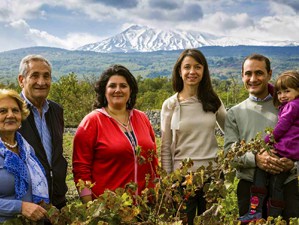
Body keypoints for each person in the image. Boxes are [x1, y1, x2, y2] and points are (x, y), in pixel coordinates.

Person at [224, 54, 299, 222]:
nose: (253, 78)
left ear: (269, 74)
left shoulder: (288, 107)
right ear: (242, 75)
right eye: (248, 73)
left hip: (286, 184)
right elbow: (229, 153)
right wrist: (255, 159)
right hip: (250, 187)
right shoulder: (235, 113)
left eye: (259, 73)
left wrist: (294, 164)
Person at [72, 64, 158, 203]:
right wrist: (88, 207)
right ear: (104, 91)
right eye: (112, 86)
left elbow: (153, 159)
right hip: (110, 209)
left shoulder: (142, 118)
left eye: (123, 86)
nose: (118, 90)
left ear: (130, 90)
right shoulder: (92, 122)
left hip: (146, 206)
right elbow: (81, 169)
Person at [160, 48, 226, 225]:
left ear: (204, 71)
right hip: (182, 180)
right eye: (187, 67)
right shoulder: (170, 105)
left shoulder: (213, 100)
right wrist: (168, 184)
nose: (192, 72)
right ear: (179, 71)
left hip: (212, 178)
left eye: (197, 67)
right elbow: (165, 147)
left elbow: (231, 131)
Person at [17, 55, 68, 213]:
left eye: (46, 76)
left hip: (56, 201)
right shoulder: (11, 113)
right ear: (21, 80)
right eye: (35, 75)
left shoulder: (56, 110)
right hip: (26, 206)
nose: (41, 82)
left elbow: (56, 154)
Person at [0, 89, 49, 223]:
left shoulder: (26, 149)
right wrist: (20, 207)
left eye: (15, 110)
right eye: (2, 111)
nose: (10, 115)